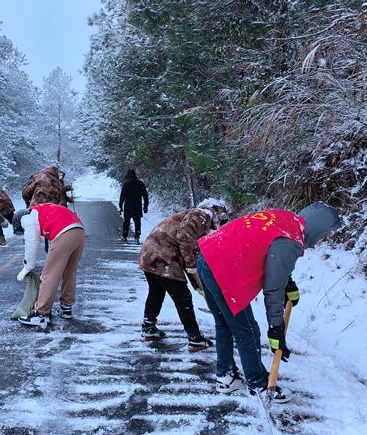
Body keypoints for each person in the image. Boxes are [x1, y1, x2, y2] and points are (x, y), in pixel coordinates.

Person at [196, 202, 341, 403]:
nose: (325, 240)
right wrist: (276, 329)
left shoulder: (286, 219)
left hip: (207, 255)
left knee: (225, 324)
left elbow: (270, 256)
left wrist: (288, 283)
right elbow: (273, 289)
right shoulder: (289, 242)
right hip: (222, 269)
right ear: (318, 227)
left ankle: (226, 376)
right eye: (327, 234)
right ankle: (258, 384)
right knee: (247, 330)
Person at [139, 200, 229, 351]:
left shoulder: (193, 214)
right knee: (183, 298)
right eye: (221, 219)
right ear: (218, 212)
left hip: (149, 254)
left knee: (156, 292)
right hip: (164, 257)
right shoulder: (202, 215)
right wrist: (192, 266)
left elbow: (189, 244)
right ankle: (195, 338)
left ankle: (148, 328)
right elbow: (185, 239)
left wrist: (197, 281)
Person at [14, 203, 85, 329]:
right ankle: (66, 308)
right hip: (79, 231)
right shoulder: (41, 210)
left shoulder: (27, 217)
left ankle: (41, 314)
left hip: (65, 232)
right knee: (69, 272)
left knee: (49, 275)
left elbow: (32, 242)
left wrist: (28, 266)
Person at [119, 168, 149, 243]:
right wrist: (145, 206)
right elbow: (145, 195)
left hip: (128, 206)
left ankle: (124, 236)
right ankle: (137, 237)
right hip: (137, 206)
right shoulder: (140, 183)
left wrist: (120, 206)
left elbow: (122, 196)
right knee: (137, 222)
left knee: (126, 221)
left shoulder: (126, 184)